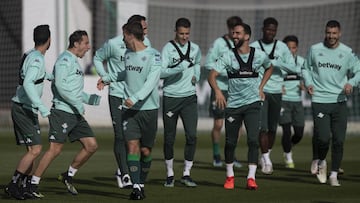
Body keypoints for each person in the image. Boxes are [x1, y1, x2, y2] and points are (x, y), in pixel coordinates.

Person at [28, 30, 101, 197]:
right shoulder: (64, 60)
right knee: (55, 150)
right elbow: (60, 87)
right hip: (62, 112)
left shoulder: (75, 61)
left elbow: (72, 90)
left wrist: (89, 99)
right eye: (86, 43)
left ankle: (68, 175)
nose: (89, 47)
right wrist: (77, 103)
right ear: (76, 44)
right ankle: (33, 183)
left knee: (91, 146)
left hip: (75, 112)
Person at [208, 22, 273, 190]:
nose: (234, 36)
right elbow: (212, 76)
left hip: (253, 104)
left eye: (237, 33)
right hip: (233, 106)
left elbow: (269, 68)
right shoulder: (228, 56)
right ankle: (230, 176)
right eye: (233, 33)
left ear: (247, 36)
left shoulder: (259, 55)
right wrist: (218, 92)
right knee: (230, 142)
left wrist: (261, 87)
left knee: (253, 140)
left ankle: (251, 178)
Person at [93, 14, 151, 189]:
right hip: (117, 95)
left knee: (134, 138)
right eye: (143, 28)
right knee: (120, 135)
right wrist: (105, 77)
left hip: (135, 97)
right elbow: (97, 57)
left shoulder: (146, 45)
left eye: (146, 28)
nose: (145, 31)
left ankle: (125, 170)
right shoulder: (113, 44)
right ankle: (125, 174)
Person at [302, 20, 360, 186]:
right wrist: (308, 82)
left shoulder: (347, 52)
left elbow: (358, 70)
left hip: (339, 102)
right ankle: (321, 161)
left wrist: (352, 83)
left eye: (334, 33)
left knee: (339, 140)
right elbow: (305, 68)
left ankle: (334, 174)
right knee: (323, 138)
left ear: (339, 33)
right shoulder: (315, 49)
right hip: (320, 100)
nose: (331, 36)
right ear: (325, 32)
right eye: (328, 33)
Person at [4, 25, 52, 200]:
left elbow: (37, 76)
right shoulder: (37, 59)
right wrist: (41, 106)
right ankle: (13, 185)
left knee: (32, 149)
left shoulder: (30, 54)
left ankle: (23, 187)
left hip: (22, 107)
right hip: (24, 108)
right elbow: (28, 83)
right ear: (49, 40)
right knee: (36, 149)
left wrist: (53, 76)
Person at [250, 17, 297, 175]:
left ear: (276, 31)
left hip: (277, 91)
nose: (270, 32)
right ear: (263, 29)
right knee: (262, 128)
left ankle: (265, 156)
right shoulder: (255, 46)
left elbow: (293, 68)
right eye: (268, 29)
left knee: (272, 128)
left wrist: (275, 63)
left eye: (273, 30)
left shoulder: (282, 47)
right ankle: (267, 160)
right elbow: (247, 64)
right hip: (260, 90)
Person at [121, 21, 161, 200]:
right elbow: (125, 74)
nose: (123, 39)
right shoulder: (127, 54)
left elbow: (151, 83)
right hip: (129, 111)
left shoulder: (154, 55)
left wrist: (135, 98)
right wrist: (107, 78)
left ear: (130, 35)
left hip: (148, 110)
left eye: (124, 35)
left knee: (145, 151)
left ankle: (141, 183)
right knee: (132, 146)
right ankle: (136, 187)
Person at [161, 17, 201, 187]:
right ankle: (170, 173)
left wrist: (196, 76)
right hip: (171, 97)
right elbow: (161, 72)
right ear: (175, 32)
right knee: (169, 138)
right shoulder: (168, 49)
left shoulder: (195, 48)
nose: (185, 37)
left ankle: (186, 173)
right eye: (181, 33)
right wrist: (179, 68)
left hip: (189, 98)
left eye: (187, 33)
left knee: (192, 136)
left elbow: (197, 64)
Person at [205, 16, 243, 168]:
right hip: (220, 89)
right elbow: (208, 63)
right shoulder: (219, 43)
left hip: (238, 90)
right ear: (228, 28)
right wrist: (226, 72)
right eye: (232, 30)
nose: (235, 34)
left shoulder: (244, 45)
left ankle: (232, 155)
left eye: (237, 30)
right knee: (219, 124)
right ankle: (216, 154)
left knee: (238, 125)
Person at [279, 35, 305, 169]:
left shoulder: (302, 62)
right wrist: (279, 86)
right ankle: (288, 155)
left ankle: (288, 145)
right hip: (284, 101)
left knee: (299, 133)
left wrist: (304, 85)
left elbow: (307, 78)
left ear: (297, 48)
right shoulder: (279, 63)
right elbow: (272, 79)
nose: (291, 50)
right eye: (288, 48)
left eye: (293, 48)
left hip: (297, 102)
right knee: (286, 130)